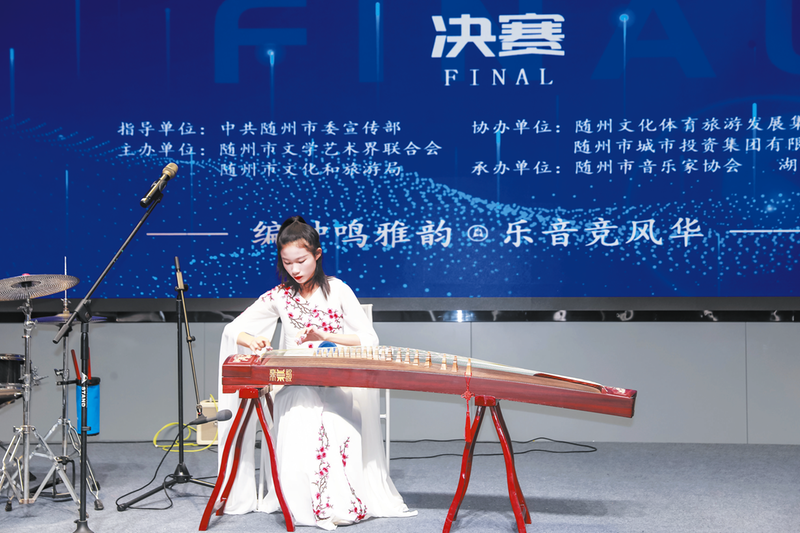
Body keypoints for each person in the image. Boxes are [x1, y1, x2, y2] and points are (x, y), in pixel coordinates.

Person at [217, 216, 415, 530]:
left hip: (336, 384)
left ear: (317, 255)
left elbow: (369, 339)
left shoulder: (338, 290)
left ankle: (336, 504)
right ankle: (305, 507)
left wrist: (326, 336)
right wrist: (250, 339)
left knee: (334, 420)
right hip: (295, 384)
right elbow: (233, 329)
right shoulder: (280, 296)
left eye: (301, 261)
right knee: (301, 411)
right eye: (287, 263)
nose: (295, 269)